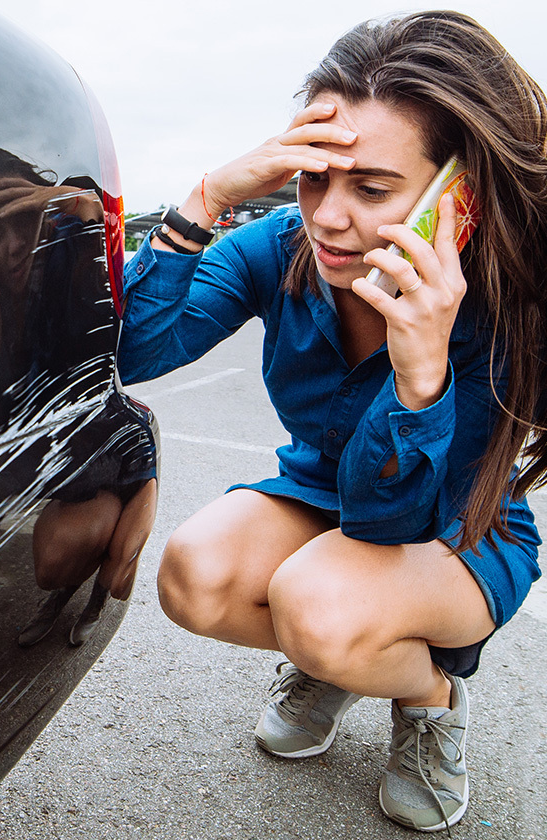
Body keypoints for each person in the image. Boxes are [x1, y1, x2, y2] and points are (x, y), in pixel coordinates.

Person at [118, 11, 545, 832]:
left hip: (459, 532)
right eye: (313, 176)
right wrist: (207, 199)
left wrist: (421, 374)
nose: (328, 217)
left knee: (322, 610)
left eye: (373, 188)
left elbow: (394, 519)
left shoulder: (506, 303)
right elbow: (135, 348)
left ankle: (429, 697)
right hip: (323, 495)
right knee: (192, 576)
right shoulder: (279, 246)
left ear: (459, 199)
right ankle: (345, 659)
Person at [0, 146, 158, 647]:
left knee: (115, 577)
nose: (16, 246)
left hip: (116, 448)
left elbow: (90, 352)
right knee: (54, 565)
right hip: (63, 456)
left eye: (26, 219)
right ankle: (54, 606)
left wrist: (77, 203)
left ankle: (91, 606)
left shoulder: (66, 272)